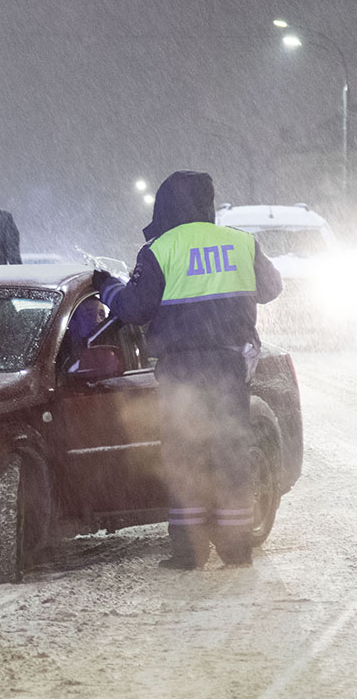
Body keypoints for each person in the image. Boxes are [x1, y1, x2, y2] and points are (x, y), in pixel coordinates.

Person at [92, 170, 283, 570]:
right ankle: (236, 549)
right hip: (230, 365)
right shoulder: (241, 242)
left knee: (185, 456)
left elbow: (135, 309)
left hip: (182, 369)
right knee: (230, 453)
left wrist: (108, 286)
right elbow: (271, 289)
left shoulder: (162, 249)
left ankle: (189, 550)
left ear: (166, 205)